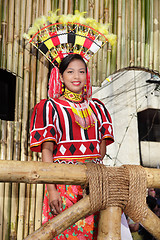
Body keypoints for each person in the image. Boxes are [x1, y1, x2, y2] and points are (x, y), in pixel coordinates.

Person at [30, 53, 114, 239]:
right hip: (63, 186)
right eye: (70, 72)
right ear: (60, 76)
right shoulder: (49, 107)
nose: (77, 77)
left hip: (94, 185)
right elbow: (47, 151)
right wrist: (52, 190)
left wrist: (93, 171)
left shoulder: (98, 108)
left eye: (81, 72)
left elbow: (101, 147)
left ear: (87, 75)